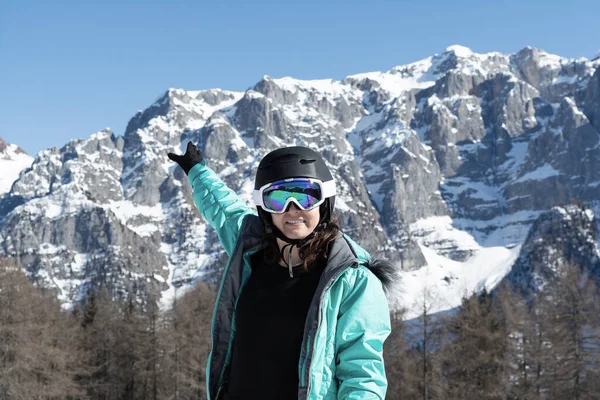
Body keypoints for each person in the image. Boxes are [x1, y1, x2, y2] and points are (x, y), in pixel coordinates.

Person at [168, 142, 395, 400]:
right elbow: (225, 208)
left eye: (305, 196)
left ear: (324, 202)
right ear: (265, 208)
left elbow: (362, 375)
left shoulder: (352, 280)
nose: (292, 209)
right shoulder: (250, 249)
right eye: (277, 198)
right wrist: (197, 171)